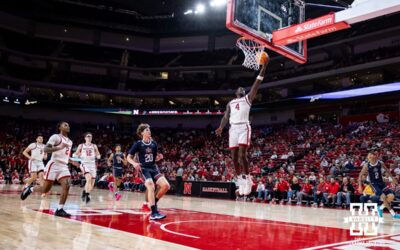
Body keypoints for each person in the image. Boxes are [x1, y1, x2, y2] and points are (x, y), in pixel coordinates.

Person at [215, 54, 269, 196]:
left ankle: (248, 178)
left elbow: (258, 82)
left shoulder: (248, 98)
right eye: (238, 88)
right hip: (233, 129)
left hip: (244, 127)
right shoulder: (231, 103)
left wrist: (264, 66)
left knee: (242, 155)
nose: (240, 89)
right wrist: (221, 127)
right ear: (235, 92)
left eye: (242, 88)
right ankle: (241, 179)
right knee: (233, 157)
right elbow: (226, 116)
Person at [21, 121, 73, 217]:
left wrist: (73, 162)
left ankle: (60, 209)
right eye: (65, 125)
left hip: (64, 166)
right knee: (45, 189)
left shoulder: (70, 141)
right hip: (53, 165)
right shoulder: (56, 137)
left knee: (67, 185)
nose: (68, 126)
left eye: (68, 125)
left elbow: (65, 155)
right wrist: (59, 147)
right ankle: (30, 189)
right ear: (60, 128)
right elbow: (46, 149)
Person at [127, 123, 170, 220]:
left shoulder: (154, 143)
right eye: (147, 130)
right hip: (144, 168)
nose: (149, 131)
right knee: (151, 185)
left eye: (149, 130)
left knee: (166, 186)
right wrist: (134, 163)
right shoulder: (138, 144)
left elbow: (154, 158)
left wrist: (159, 158)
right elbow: (128, 157)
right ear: (142, 133)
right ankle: (154, 212)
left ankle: (152, 203)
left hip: (153, 167)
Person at [358, 151, 399, 219]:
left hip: (381, 183)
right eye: (369, 156)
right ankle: (393, 214)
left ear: (374, 156)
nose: (369, 157)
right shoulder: (367, 165)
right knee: (383, 197)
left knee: (391, 196)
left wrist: (393, 178)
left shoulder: (380, 163)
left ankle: (380, 208)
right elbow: (360, 176)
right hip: (374, 184)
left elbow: (387, 171)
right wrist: (359, 186)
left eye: (370, 156)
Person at [74, 132, 101, 203]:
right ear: (85, 138)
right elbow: (75, 154)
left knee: (91, 186)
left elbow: (98, 154)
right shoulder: (81, 145)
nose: (89, 137)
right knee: (88, 179)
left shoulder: (94, 146)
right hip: (84, 164)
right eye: (88, 136)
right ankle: (86, 195)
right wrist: (76, 155)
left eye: (91, 136)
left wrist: (98, 156)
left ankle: (85, 192)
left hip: (92, 165)